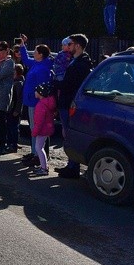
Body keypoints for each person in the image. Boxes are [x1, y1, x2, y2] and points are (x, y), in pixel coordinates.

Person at [55, 33, 93, 179]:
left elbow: (70, 84)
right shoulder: (76, 61)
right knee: (67, 134)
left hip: (71, 103)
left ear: (77, 46)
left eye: (70, 44)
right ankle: (71, 165)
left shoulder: (81, 63)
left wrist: (55, 84)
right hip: (67, 102)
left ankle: (73, 167)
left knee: (70, 134)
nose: (67, 47)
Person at [19, 34, 53, 167]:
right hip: (31, 101)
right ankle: (34, 152)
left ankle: (37, 155)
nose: (33, 53)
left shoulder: (44, 68)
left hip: (37, 103)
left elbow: (43, 88)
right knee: (33, 128)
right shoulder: (37, 63)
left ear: (40, 54)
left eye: (35, 51)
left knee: (36, 129)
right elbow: (26, 60)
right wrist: (22, 46)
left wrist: (37, 99)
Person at [32, 82, 56, 176]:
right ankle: (44, 166)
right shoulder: (47, 103)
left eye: (36, 91)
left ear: (40, 93)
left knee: (39, 148)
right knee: (41, 147)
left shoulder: (40, 106)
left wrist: (34, 132)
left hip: (42, 131)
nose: (35, 92)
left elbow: (39, 122)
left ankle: (44, 168)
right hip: (46, 129)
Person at [6, 64, 24, 153]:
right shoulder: (15, 82)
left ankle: (13, 145)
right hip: (11, 109)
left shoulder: (19, 84)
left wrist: (17, 110)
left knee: (13, 128)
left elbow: (19, 99)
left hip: (14, 110)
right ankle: (11, 143)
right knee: (11, 127)